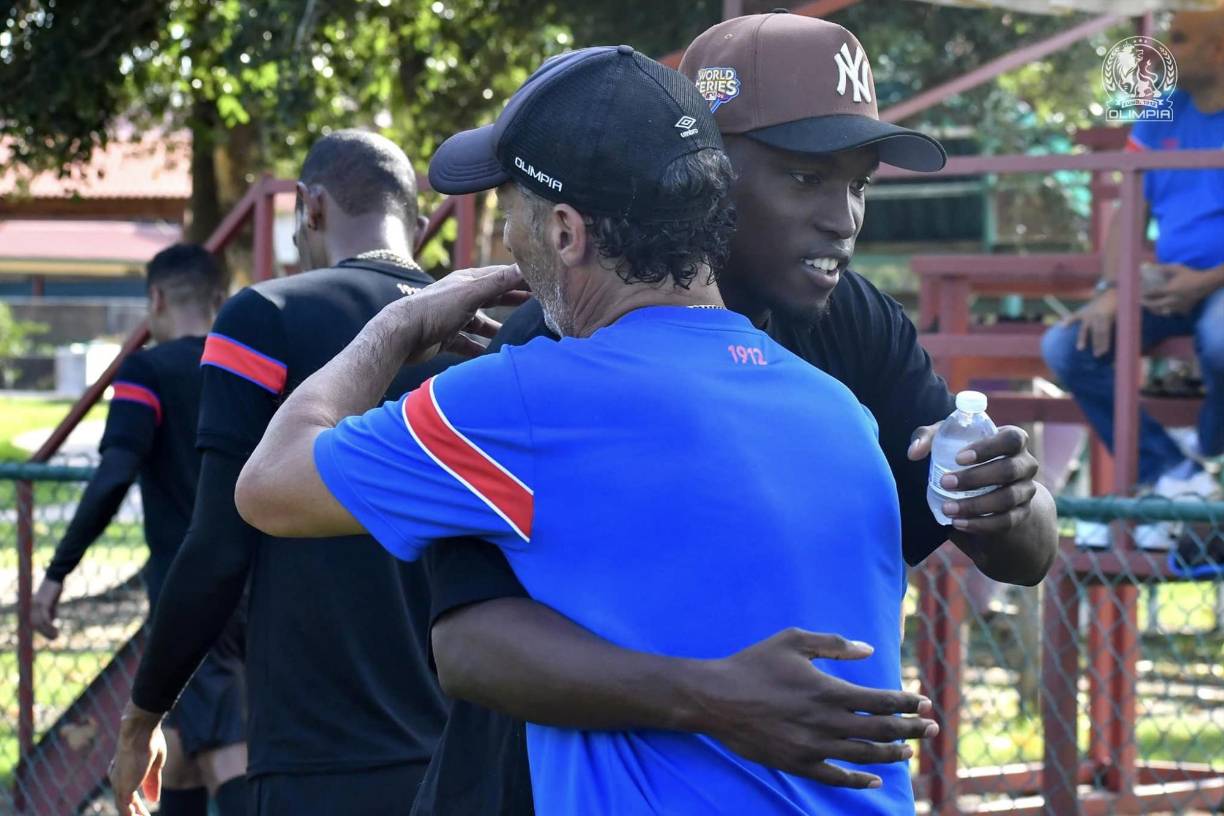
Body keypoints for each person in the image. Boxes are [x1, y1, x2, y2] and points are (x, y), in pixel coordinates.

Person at [239, 44, 953, 815]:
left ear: (567, 233)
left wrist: (397, 326)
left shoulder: (522, 399)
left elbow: (269, 487)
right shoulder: (840, 411)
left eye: (513, 204)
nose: (509, 232)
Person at [409, 14, 1062, 815]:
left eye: (858, 183)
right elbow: (470, 645)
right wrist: (712, 697)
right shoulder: (562, 330)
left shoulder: (855, 324)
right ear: (704, 171)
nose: (844, 216)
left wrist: (1010, 499)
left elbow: (1020, 554)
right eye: (803, 176)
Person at [107, 131, 455, 816]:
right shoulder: (484, 329)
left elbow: (217, 545)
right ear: (415, 223)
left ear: (310, 207)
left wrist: (143, 716)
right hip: (467, 750)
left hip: (316, 755)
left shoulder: (265, 318)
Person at [32, 244, 247, 816]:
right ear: (218, 301)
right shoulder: (251, 366)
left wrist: (57, 573)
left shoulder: (147, 372)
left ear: (154, 299)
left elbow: (113, 477)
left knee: (227, 748)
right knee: (175, 747)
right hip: (260, 577)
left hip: (189, 587)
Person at [1041, 7, 1224, 523]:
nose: (1166, 51)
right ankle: (1176, 471)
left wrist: (1207, 281)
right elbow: (1129, 209)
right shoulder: (1162, 108)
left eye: (1182, 40)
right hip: (1169, 282)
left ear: (1218, 50)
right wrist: (1111, 287)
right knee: (1066, 345)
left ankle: (1207, 450)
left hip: (1215, 285)